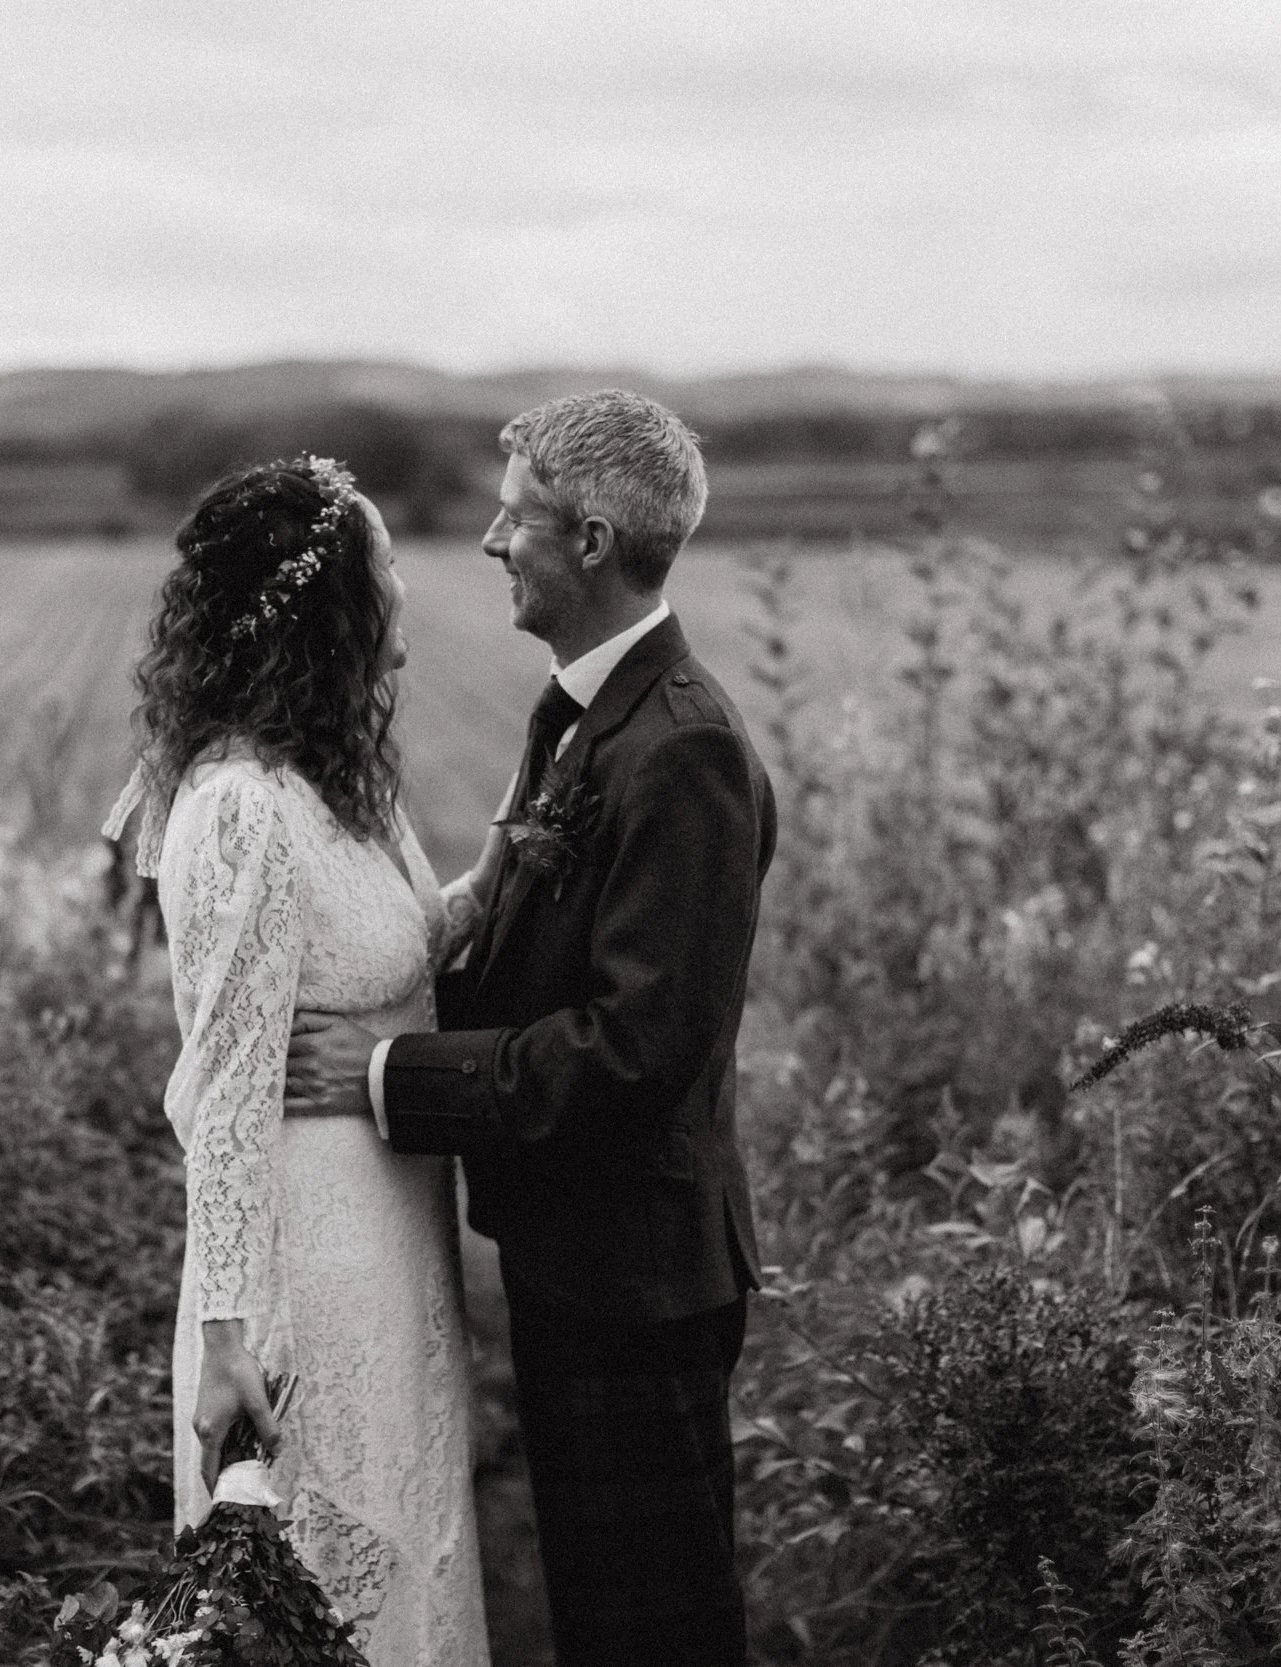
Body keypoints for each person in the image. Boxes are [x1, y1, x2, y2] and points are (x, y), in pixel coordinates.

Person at [286, 391, 774, 1667]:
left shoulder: (684, 752)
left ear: (595, 538)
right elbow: (534, 941)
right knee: (600, 1607)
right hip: (585, 1255)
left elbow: (637, 1051)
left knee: (653, 1624)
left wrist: (390, 1076)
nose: (493, 543)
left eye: (515, 520)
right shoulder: (584, 717)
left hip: (643, 1273)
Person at [103, 457, 496, 1666]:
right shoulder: (237, 809)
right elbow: (224, 1089)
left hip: (389, 1230)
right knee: (317, 1585)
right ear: (332, 611)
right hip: (299, 1261)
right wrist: (227, 1338)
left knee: (412, 1536)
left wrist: (521, 849)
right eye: (381, 573)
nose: (399, 597)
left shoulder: (339, 796)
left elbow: (401, 949)